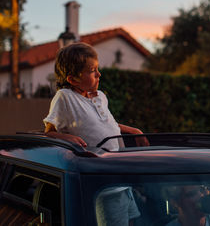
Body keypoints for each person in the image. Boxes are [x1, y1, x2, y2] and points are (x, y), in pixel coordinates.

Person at [43, 42, 148, 226]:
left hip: (121, 177)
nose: (99, 74)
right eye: (92, 71)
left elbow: (107, 124)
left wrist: (132, 130)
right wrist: (68, 138)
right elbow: (49, 132)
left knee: (131, 221)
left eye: (97, 69)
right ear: (73, 79)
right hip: (104, 185)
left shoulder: (100, 96)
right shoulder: (65, 98)